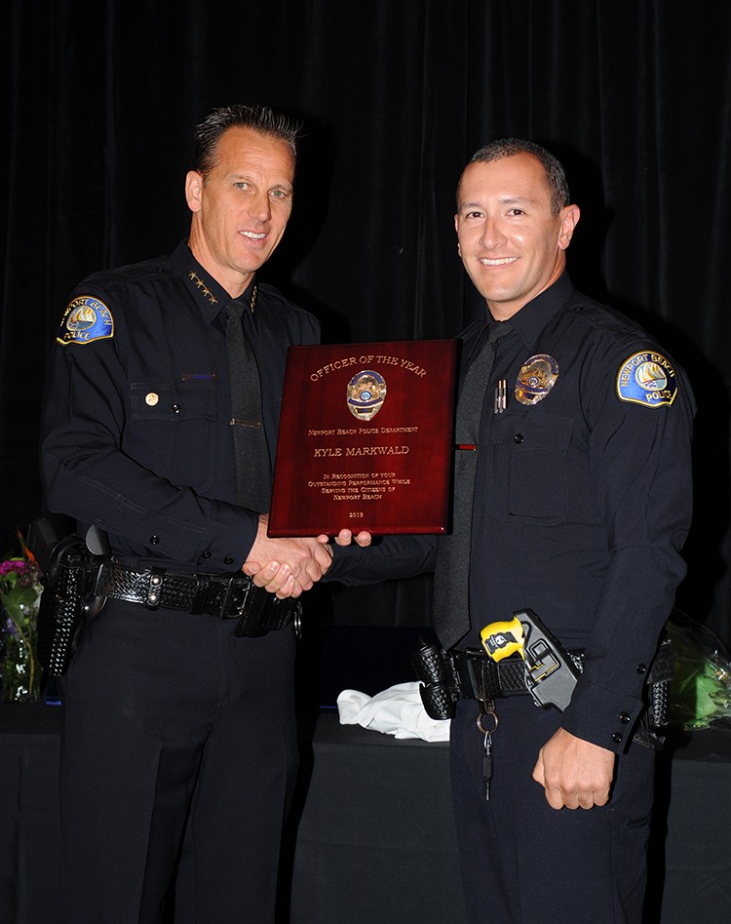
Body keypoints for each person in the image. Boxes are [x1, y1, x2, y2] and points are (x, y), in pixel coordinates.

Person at [307, 138, 695, 924]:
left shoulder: (617, 363)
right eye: (473, 215)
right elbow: (437, 539)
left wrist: (594, 728)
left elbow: (648, 558)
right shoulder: (449, 370)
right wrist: (318, 548)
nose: (491, 236)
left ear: (565, 224)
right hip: (479, 724)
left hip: (572, 718)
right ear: (452, 232)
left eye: (515, 212)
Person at [39, 104, 374, 924]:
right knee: (112, 898)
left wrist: (347, 518)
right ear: (195, 191)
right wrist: (245, 538)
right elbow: (73, 469)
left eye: (282, 193)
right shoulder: (113, 307)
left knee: (241, 898)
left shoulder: (302, 334)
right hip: (141, 654)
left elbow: (309, 494)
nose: (262, 212)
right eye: (241, 186)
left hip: (261, 657)